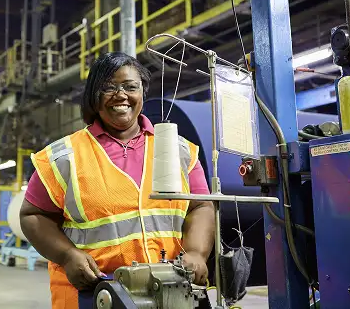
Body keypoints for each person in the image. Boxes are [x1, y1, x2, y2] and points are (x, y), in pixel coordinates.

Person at [20, 52, 215, 309]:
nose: (120, 95)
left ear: (142, 93)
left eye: (130, 86)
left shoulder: (178, 150)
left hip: (169, 292)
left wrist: (196, 253)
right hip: (92, 294)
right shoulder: (63, 157)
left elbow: (201, 206)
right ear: (93, 96)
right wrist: (67, 255)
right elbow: (33, 215)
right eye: (108, 88)